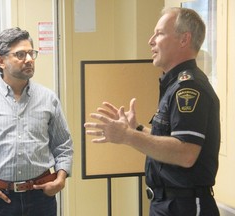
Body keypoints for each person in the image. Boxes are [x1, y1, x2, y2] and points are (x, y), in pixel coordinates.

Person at [84, 7, 220, 216]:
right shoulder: (174, 84)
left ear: (184, 40)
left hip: (185, 206)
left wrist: (128, 136)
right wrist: (137, 129)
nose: (151, 40)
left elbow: (185, 153)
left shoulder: (189, 88)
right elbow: (171, 141)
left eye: (159, 33)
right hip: (167, 203)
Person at [0, 27, 73, 216]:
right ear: (1, 60)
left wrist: (60, 179)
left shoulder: (48, 99)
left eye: (31, 53)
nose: (29, 59)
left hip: (41, 199)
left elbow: (63, 146)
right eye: (20, 54)